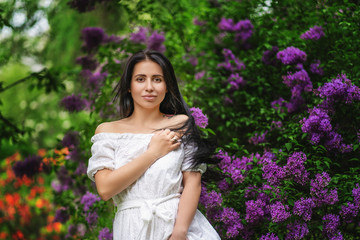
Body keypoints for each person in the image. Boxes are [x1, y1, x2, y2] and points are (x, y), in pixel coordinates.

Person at [87, 50, 221, 240]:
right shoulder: (107, 132)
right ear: (129, 86)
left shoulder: (180, 124)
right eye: (140, 79)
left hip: (180, 228)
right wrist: (154, 152)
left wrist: (179, 233)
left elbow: (193, 182)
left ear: (167, 86)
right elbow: (106, 189)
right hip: (132, 228)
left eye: (157, 79)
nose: (149, 87)